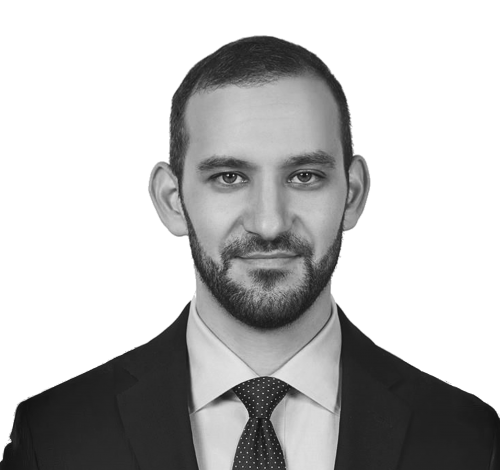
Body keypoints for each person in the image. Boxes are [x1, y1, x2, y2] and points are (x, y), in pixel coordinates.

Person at [2, 36, 498, 470]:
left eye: (304, 176)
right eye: (229, 177)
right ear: (171, 201)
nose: (269, 224)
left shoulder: (471, 441)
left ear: (352, 194)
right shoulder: (54, 437)